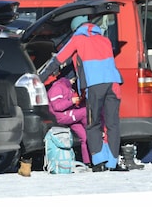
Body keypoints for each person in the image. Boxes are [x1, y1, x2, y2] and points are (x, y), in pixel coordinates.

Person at [37, 15, 126, 172]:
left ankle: (99, 161)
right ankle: (113, 162)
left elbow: (58, 60)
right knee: (112, 125)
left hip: (95, 85)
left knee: (93, 124)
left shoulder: (78, 39)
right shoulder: (105, 40)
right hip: (114, 84)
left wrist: (39, 79)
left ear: (76, 29)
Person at [47, 68, 90, 165]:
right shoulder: (57, 88)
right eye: (73, 79)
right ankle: (93, 130)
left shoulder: (67, 87)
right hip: (61, 116)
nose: (74, 82)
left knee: (84, 137)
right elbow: (57, 106)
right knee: (85, 112)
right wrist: (72, 101)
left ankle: (87, 161)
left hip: (69, 115)